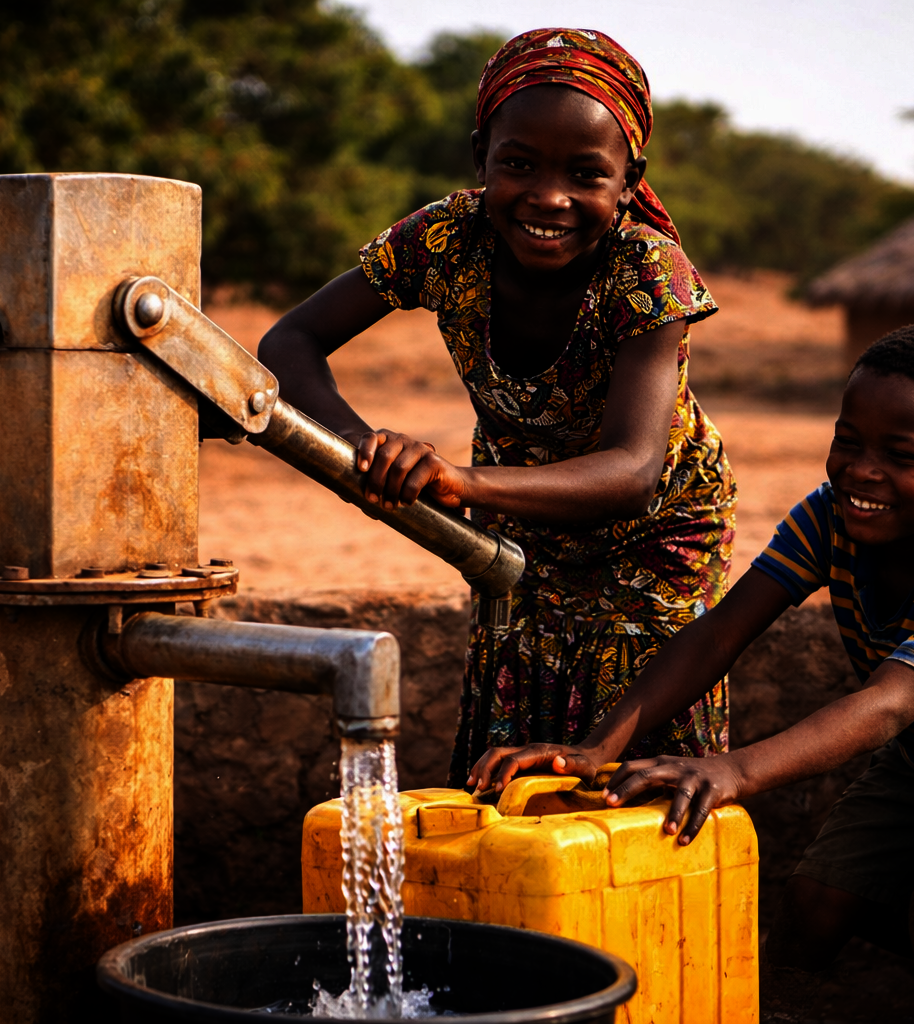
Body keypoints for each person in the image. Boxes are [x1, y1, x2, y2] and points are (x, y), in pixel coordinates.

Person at [469, 324, 914, 1024]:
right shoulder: (831, 518)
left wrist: (733, 770)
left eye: (901, 455)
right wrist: (598, 746)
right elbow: (722, 631)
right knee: (814, 900)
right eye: (847, 441)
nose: (862, 471)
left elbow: (886, 706)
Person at [258, 28, 736, 786]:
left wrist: (460, 483)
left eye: (586, 174)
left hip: (653, 536)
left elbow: (634, 471)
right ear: (481, 155)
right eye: (519, 165)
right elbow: (290, 340)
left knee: (628, 768)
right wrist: (365, 450)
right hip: (520, 512)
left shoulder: (647, 268)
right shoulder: (447, 237)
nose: (549, 198)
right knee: (514, 731)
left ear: (628, 177)